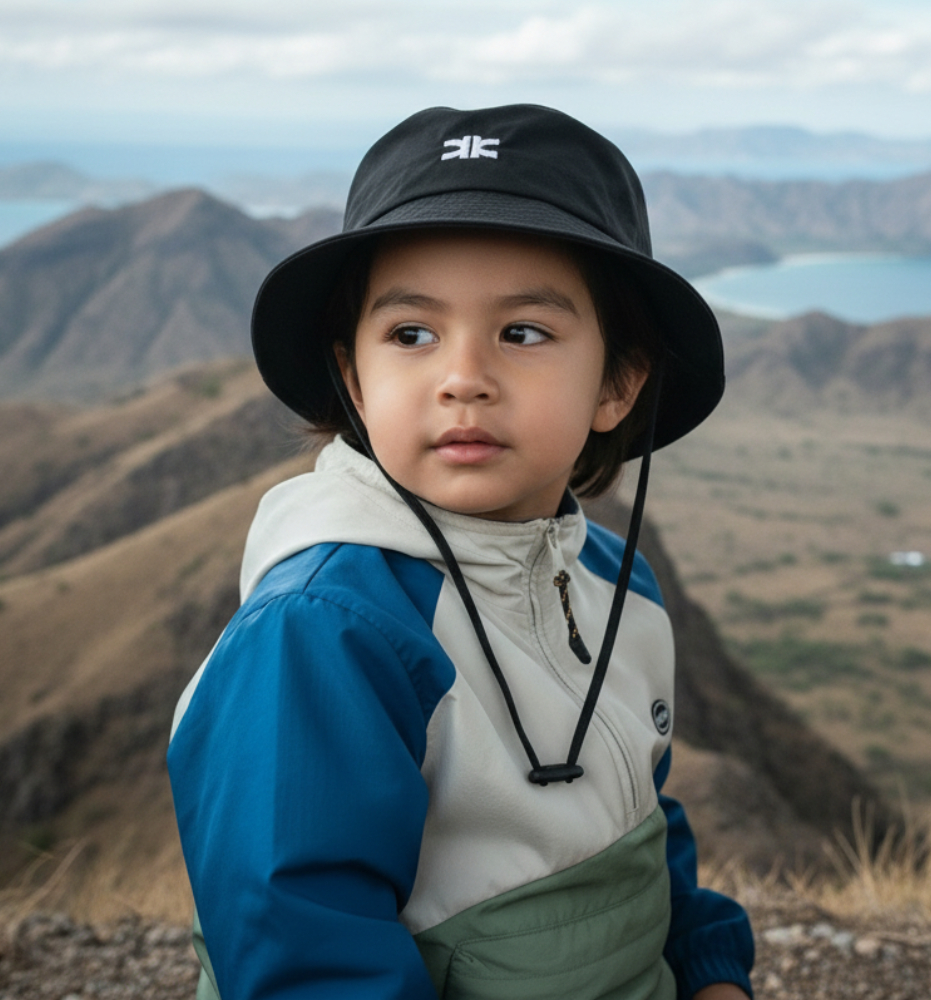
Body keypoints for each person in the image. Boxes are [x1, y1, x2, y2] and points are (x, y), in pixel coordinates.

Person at [168, 104, 755, 1000]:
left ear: (618, 382)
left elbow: (638, 814)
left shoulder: (613, 581)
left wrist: (709, 972)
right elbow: (305, 959)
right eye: (411, 334)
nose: (463, 376)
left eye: (523, 332)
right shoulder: (326, 632)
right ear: (355, 380)